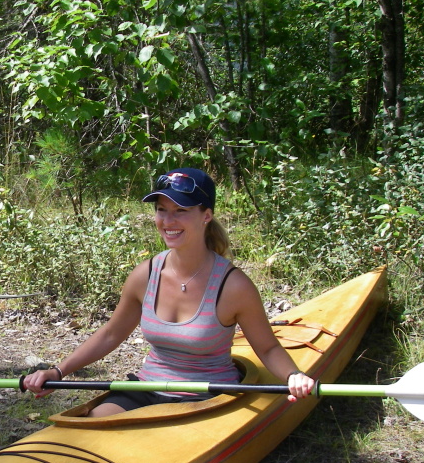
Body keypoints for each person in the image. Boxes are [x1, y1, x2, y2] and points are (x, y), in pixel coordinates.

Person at [24, 167, 316, 417]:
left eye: (181, 211)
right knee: (91, 427)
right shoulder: (145, 274)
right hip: (148, 388)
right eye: (161, 210)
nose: (167, 221)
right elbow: (112, 333)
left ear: (206, 216)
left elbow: (268, 347)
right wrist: (58, 372)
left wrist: (293, 376)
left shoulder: (234, 286)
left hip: (208, 398)